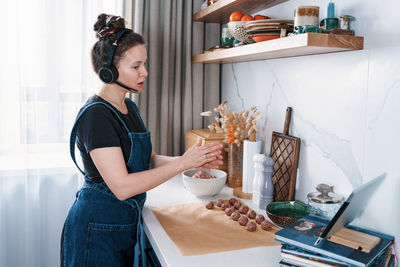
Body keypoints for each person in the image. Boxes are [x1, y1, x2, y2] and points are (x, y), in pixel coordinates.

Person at [61, 14, 223, 267]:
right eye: (136, 66)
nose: (145, 72)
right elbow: (122, 187)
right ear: (108, 70)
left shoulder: (128, 107)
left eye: (144, 64)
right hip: (96, 232)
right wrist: (182, 164)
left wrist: (191, 161)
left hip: (122, 226)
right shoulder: (97, 116)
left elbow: (149, 160)